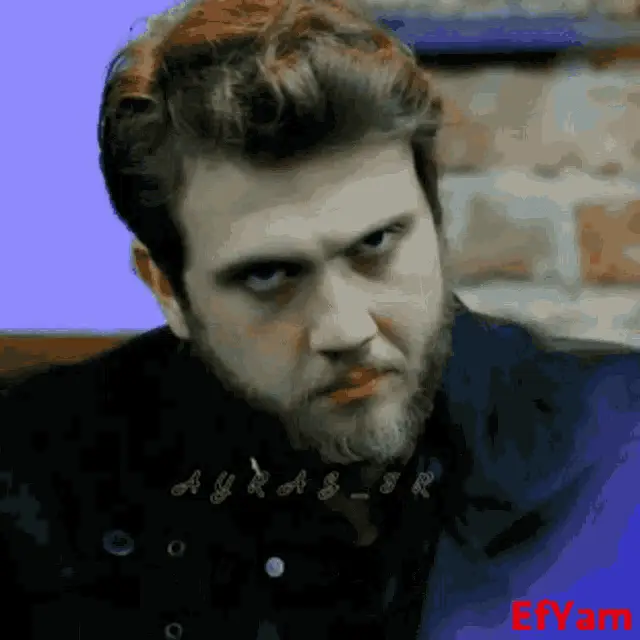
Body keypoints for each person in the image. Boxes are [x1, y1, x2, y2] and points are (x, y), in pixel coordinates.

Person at [1, 0, 639, 638]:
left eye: (377, 244)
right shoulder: (37, 485)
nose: (345, 328)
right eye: (269, 276)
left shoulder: (616, 448)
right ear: (166, 288)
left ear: (434, 217)